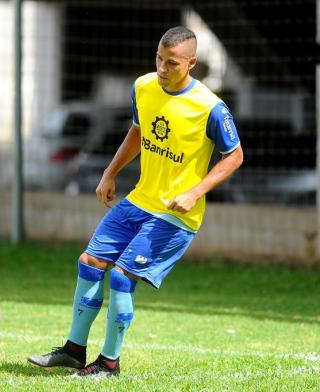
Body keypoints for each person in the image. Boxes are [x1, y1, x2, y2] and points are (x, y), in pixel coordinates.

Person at [27, 26, 243, 378]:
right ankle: (73, 351)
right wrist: (110, 172)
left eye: (172, 63)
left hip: (175, 214)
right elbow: (138, 131)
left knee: (123, 277)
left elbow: (234, 156)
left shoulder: (211, 108)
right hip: (139, 199)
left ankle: (109, 363)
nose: (162, 68)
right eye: (158, 58)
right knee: (90, 261)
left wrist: (195, 192)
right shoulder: (143, 86)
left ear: (191, 63)